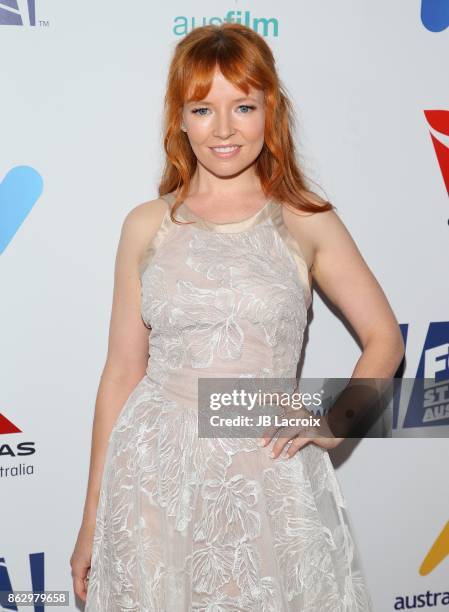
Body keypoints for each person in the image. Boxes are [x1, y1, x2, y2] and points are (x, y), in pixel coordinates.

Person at [70, 23, 404, 611]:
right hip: (154, 474)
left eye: (242, 106)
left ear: (269, 111)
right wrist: (92, 519)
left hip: (265, 474)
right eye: (203, 109)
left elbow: (384, 339)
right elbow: (122, 373)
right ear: (180, 118)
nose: (223, 130)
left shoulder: (307, 220)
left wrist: (338, 419)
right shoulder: (146, 225)